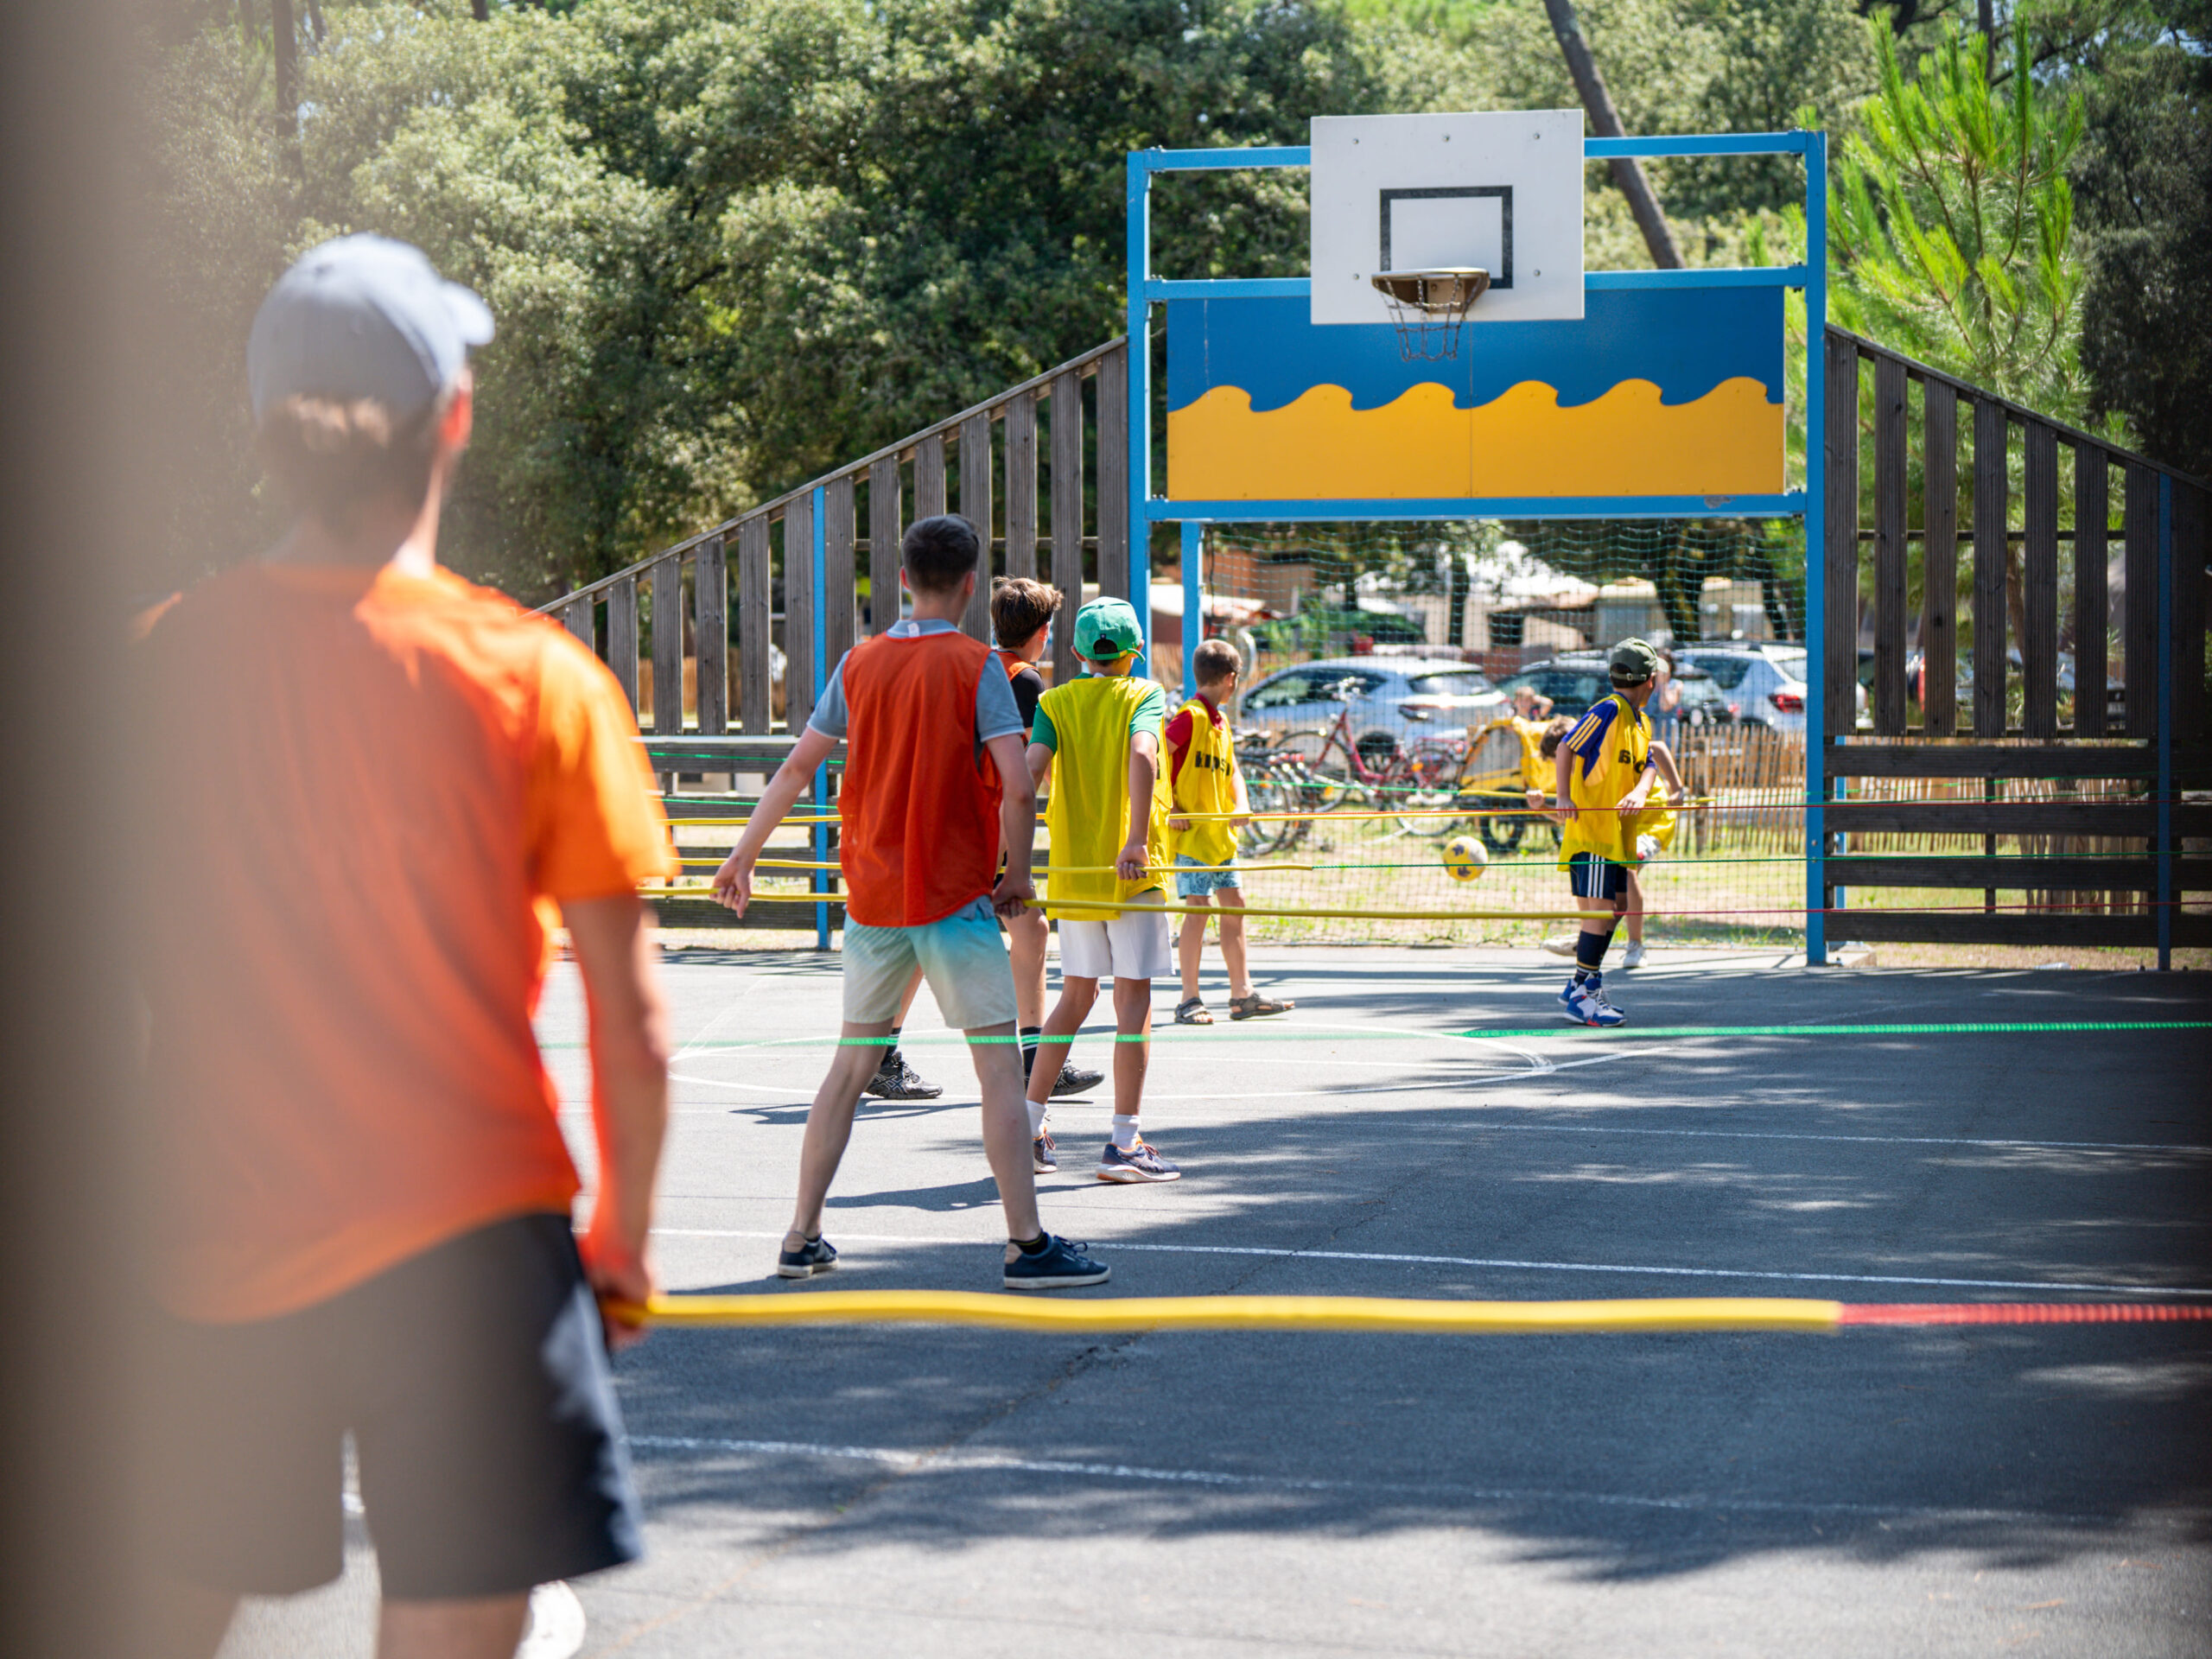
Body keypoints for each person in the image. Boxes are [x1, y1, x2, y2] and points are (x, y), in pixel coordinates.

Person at [137, 235, 674, 1659]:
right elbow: (636, 1025)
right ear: (454, 416)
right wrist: (620, 1244)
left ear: (266, 433)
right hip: (469, 1245)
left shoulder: (153, 668)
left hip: (208, 1235)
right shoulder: (534, 678)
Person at [711, 514, 1108, 1288]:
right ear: (969, 586)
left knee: (849, 1070)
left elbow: (797, 769)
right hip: (953, 900)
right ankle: (1027, 1246)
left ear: (899, 579)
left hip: (875, 903)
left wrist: (742, 855)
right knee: (998, 1073)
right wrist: (1018, 877)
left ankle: (801, 1235)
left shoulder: (860, 663)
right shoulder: (975, 666)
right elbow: (1018, 784)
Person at [1023, 597, 1180, 1182]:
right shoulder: (1144, 695)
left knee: (1077, 995)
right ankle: (1123, 1142)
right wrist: (1136, 838)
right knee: (1131, 1002)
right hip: (1129, 873)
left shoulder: (1054, 702)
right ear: (1136, 652)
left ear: (1077, 653)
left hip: (1075, 873)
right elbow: (1143, 752)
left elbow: (1028, 774)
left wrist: (1008, 856)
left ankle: (1028, 1121)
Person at [992, 577, 1107, 1097]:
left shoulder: (982, 669)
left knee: (941, 937)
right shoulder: (1026, 683)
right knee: (1024, 933)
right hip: (989, 831)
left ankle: (1036, 1058)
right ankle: (1038, 1061)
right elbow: (1022, 774)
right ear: (1042, 633)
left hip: (971, 826)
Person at [1167, 638, 1294, 1025]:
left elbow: (1233, 771)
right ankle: (1189, 998)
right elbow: (1155, 756)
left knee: (1234, 904)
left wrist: (1241, 804)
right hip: (1193, 836)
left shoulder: (1220, 722)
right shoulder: (1189, 717)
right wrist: (1171, 807)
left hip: (1221, 837)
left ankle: (1242, 994)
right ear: (1232, 679)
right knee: (1198, 910)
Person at [1551, 638, 1665, 1026]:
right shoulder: (1609, 710)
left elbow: (1649, 763)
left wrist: (1638, 791)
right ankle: (1584, 995)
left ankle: (1580, 981)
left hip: (1616, 837)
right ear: (1651, 680)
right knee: (1598, 915)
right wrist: (1563, 795)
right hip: (1594, 835)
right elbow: (1567, 748)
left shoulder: (1640, 721)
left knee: (1613, 910)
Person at [1619, 740, 1688, 969]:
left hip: (1653, 825)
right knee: (1609, 879)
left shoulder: (1637, 741)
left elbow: (1657, 747)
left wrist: (1677, 790)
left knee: (1628, 868)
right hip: (1623, 823)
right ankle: (1589, 937)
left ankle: (1635, 944)